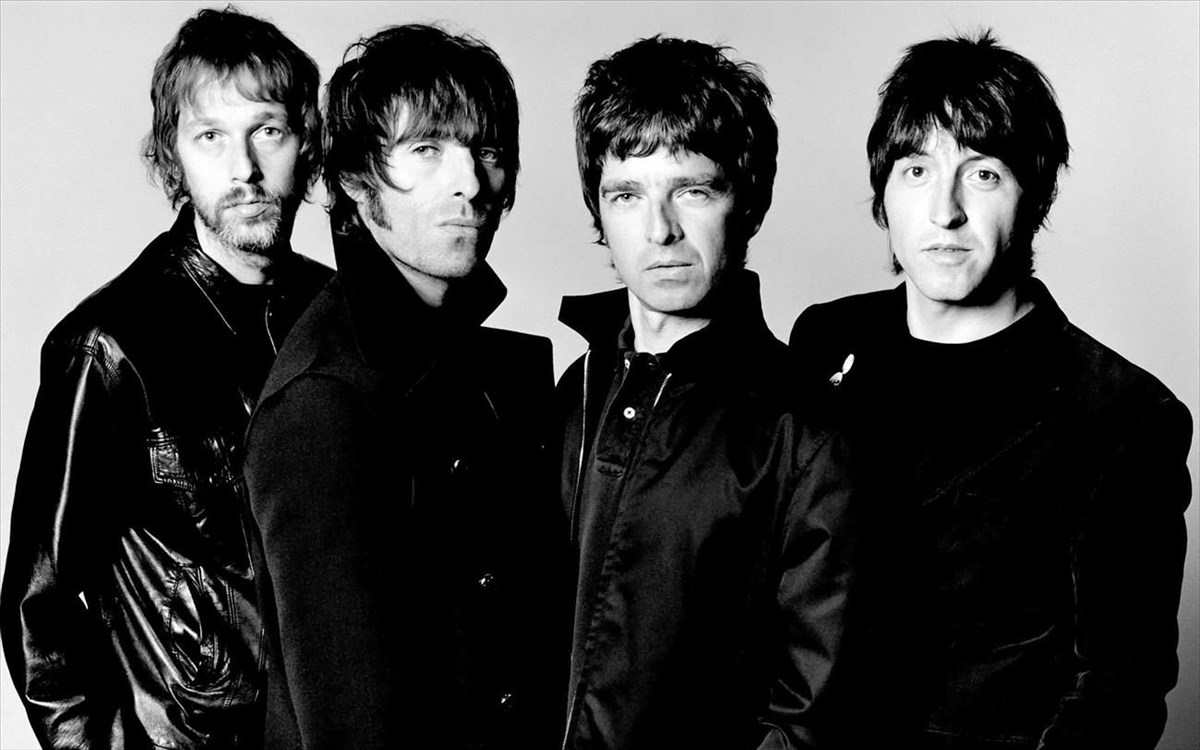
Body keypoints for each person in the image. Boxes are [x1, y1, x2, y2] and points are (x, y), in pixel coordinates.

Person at [789, 31, 1193, 750]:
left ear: (1034, 195)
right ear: (883, 193)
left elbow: (1119, 691)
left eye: (982, 174)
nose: (944, 211)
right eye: (916, 170)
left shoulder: (1123, 416)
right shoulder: (826, 339)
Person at [0, 8, 330, 749]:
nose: (244, 169)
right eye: (211, 137)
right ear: (171, 157)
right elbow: (38, 608)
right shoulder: (109, 346)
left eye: (268, 131)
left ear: (306, 143)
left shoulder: (340, 322)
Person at [243, 24, 567, 750]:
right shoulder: (322, 405)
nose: (469, 183)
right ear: (356, 182)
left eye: (487, 152)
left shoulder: (493, 370)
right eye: (426, 150)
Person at [557, 36, 857, 750]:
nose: (660, 230)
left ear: (746, 203)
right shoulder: (577, 389)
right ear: (599, 211)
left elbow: (810, 715)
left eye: (692, 191)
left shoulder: (806, 428)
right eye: (627, 195)